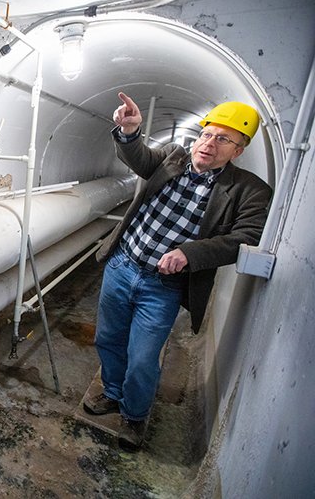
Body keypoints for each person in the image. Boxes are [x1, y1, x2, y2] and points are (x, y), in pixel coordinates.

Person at [83, 92, 273, 449]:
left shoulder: (249, 191)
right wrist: (130, 131)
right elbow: (140, 158)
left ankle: (134, 416)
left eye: (222, 139)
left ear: (239, 150)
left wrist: (189, 252)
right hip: (123, 266)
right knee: (108, 338)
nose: (208, 144)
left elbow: (246, 236)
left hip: (163, 286)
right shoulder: (172, 156)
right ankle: (111, 391)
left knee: (142, 358)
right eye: (206, 134)